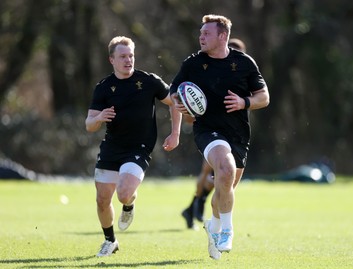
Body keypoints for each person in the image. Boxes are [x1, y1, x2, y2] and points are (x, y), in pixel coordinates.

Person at [170, 15, 269, 260]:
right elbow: (173, 93)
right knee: (223, 168)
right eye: (200, 33)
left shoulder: (244, 63)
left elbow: (264, 97)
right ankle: (227, 230)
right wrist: (181, 106)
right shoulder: (193, 63)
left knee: (224, 190)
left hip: (238, 134)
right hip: (207, 132)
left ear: (222, 36)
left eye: (207, 33)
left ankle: (213, 226)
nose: (201, 37)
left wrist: (244, 101)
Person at [85, 36, 181, 257]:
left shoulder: (149, 81)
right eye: (122, 56)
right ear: (112, 59)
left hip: (139, 147)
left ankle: (129, 204)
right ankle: (110, 241)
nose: (128, 60)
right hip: (112, 147)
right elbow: (89, 125)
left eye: (131, 56)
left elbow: (174, 102)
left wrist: (175, 133)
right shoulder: (103, 87)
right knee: (102, 200)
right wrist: (99, 117)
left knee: (124, 193)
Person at [181, 38, 248, 230]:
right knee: (210, 172)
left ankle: (195, 205)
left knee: (223, 180)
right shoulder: (207, 75)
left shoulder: (243, 76)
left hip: (234, 135)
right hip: (212, 135)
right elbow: (190, 113)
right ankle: (198, 204)